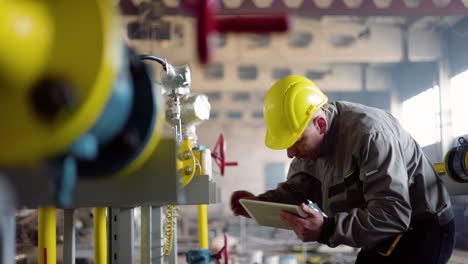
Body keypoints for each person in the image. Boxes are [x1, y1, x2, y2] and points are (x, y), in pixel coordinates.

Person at [230, 75, 455, 264]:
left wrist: (326, 229)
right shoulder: (309, 149)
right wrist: (259, 204)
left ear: (320, 124)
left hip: (423, 231)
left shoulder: (370, 136)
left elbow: (392, 214)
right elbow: (297, 190)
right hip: (382, 233)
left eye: (296, 142)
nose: (290, 153)